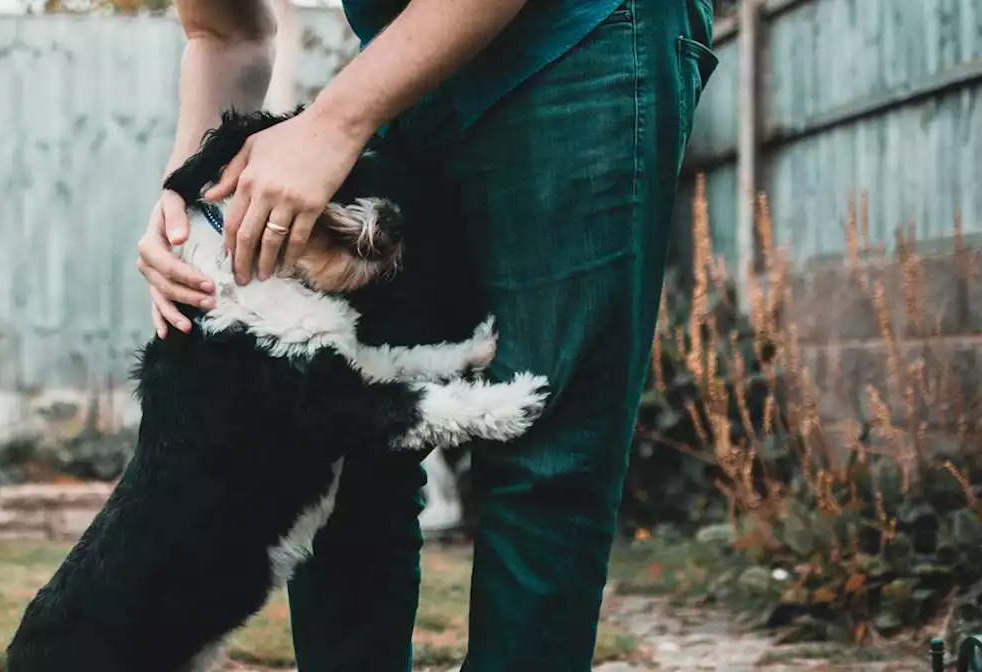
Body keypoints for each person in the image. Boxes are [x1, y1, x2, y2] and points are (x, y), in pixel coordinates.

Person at [135, 0, 718, 669]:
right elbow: (223, 30)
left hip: (580, 37)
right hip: (407, 62)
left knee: (546, 454)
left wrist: (334, 120)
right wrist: (183, 200)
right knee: (339, 448)